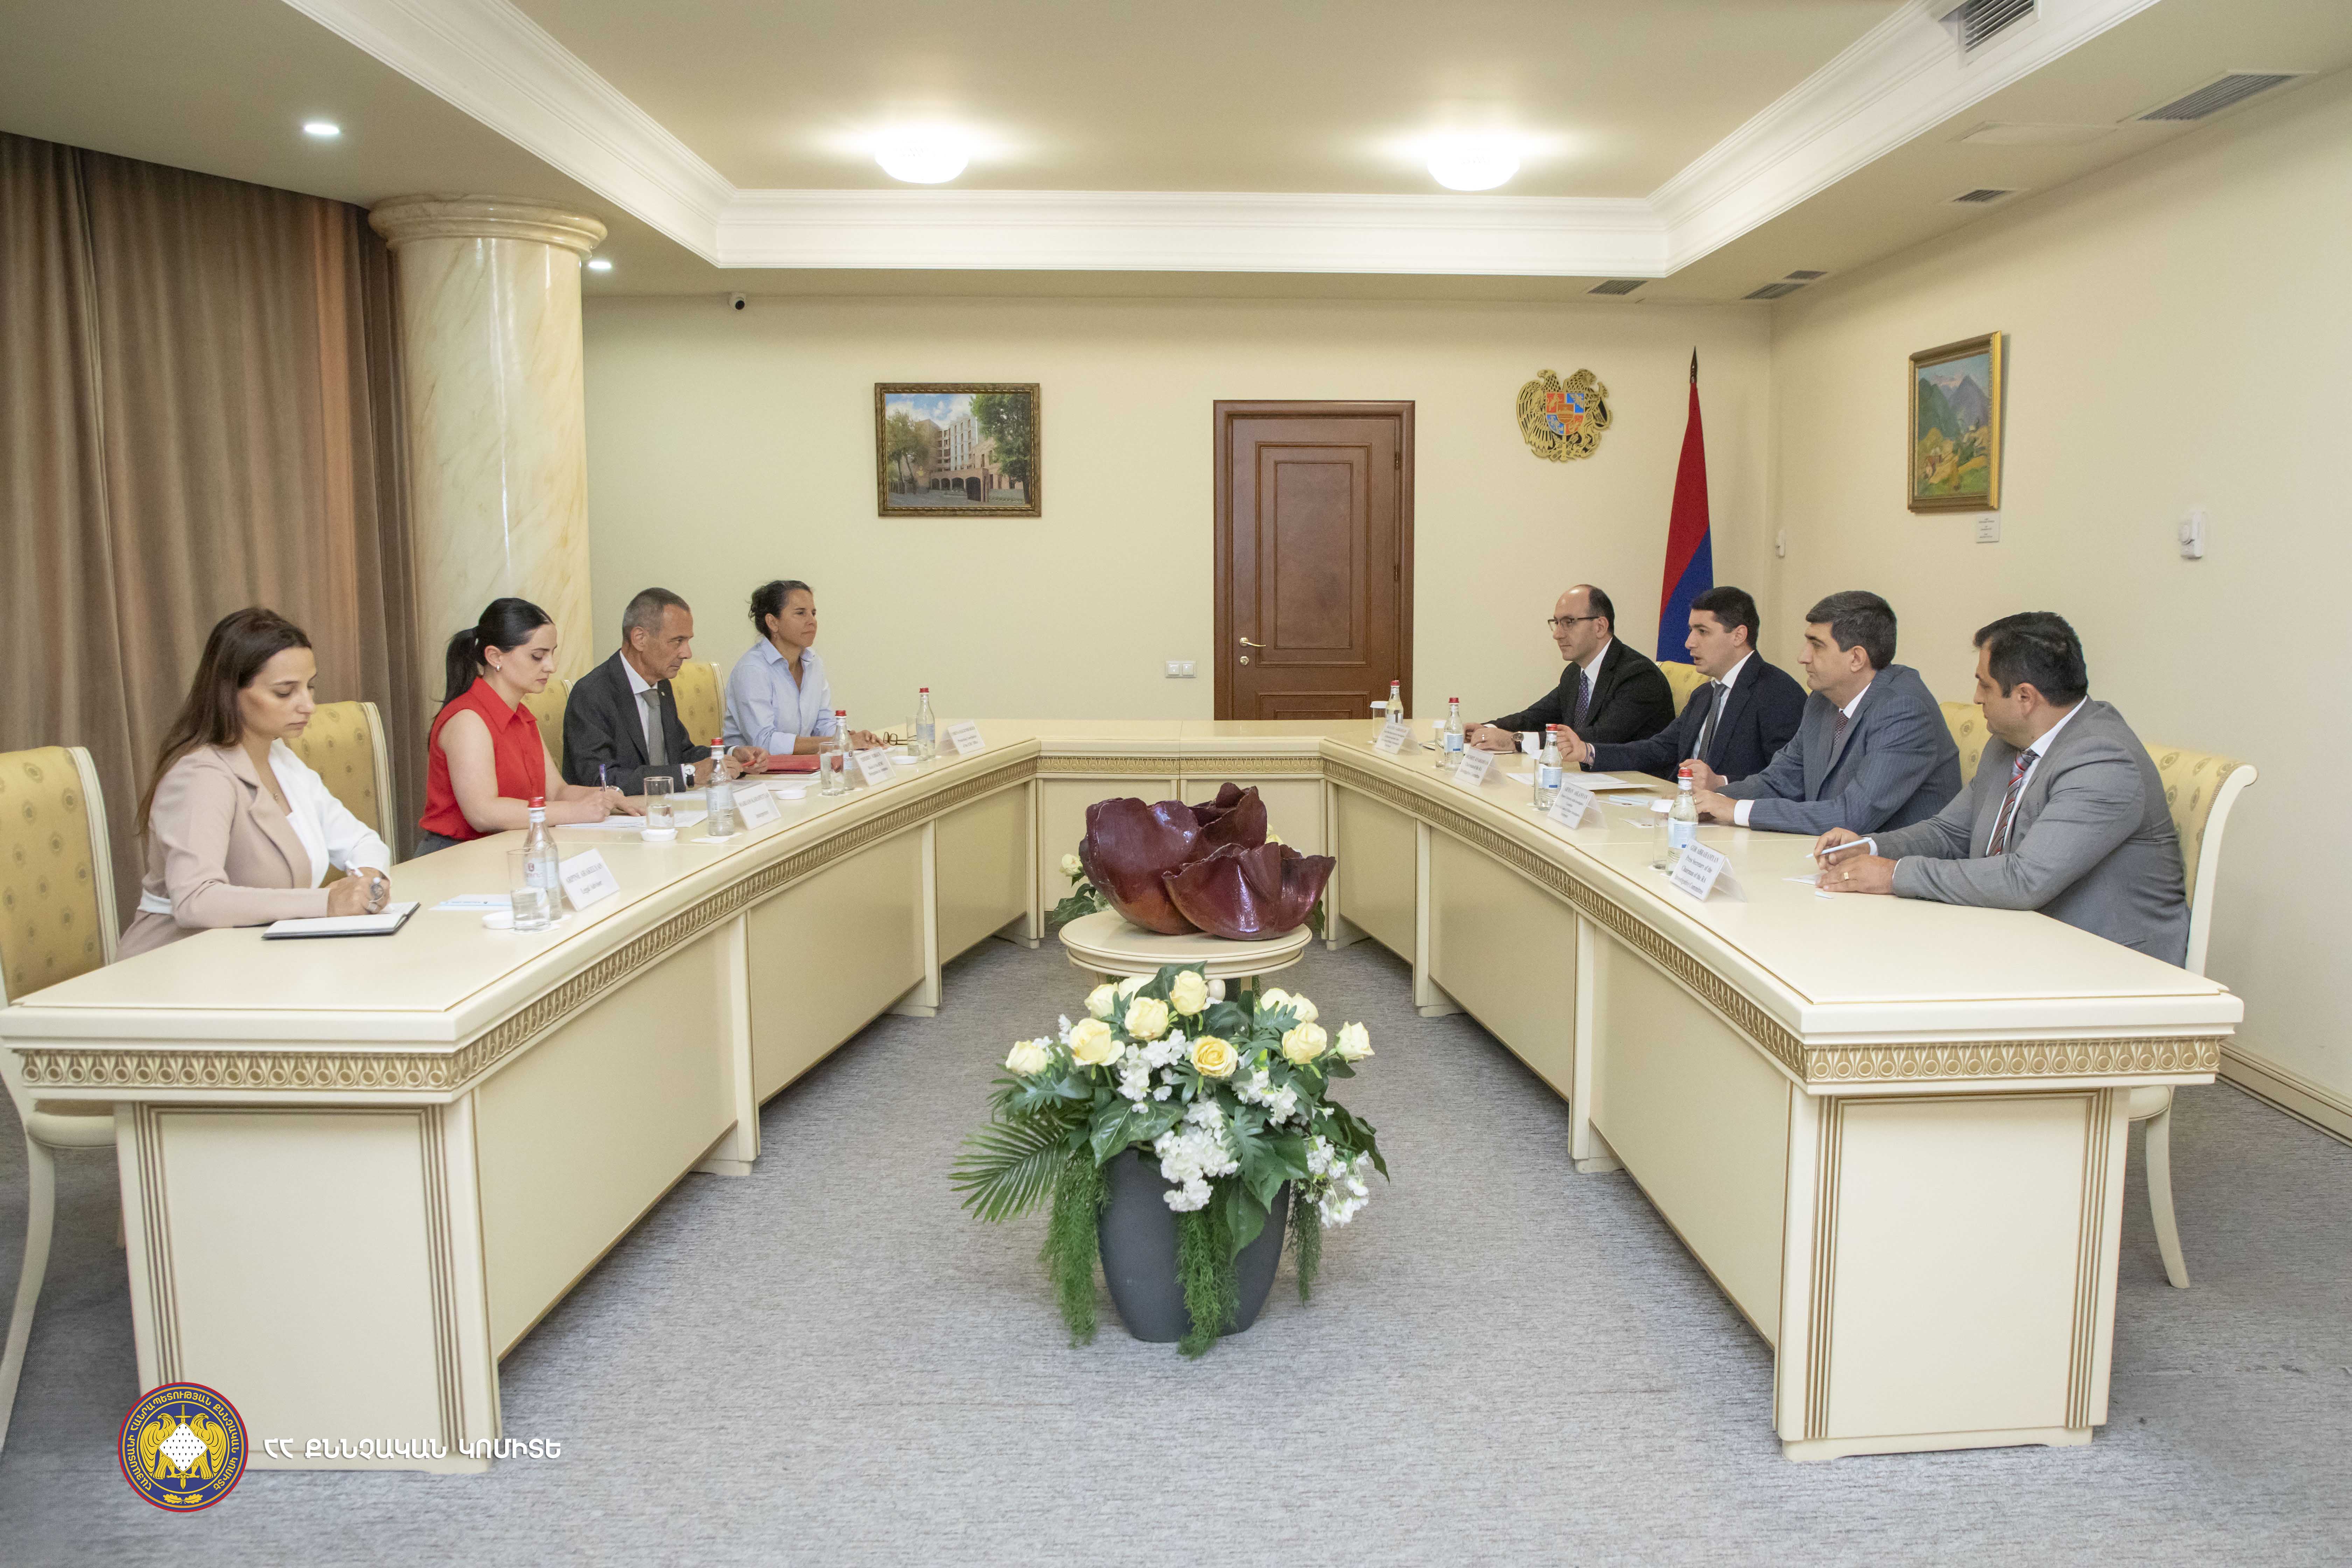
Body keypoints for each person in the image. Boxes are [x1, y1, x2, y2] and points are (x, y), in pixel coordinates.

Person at [1813, 613, 2189, 963]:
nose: (1977, 697)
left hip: (2108, 961)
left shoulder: (2102, 761)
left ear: (2025, 698)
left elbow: (2026, 880)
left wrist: (1894, 875)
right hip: (2019, 937)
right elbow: (1950, 832)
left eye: (1985, 685)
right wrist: (1871, 847)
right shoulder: (2009, 742)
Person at [121, 607, 395, 957]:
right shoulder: (200, 775)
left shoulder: (280, 757)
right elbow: (196, 900)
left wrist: (367, 883)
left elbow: (361, 840)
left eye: (310, 687)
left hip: (258, 956)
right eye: (285, 692)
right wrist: (326, 902)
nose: (309, 706)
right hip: (180, 960)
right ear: (229, 692)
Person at [1689, 589, 1960, 834]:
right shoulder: (1822, 699)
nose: (1803, 657)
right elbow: (1780, 780)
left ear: (1856, 658)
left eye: (1817, 646)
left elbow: (1853, 815)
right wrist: (1711, 801)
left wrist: (1736, 810)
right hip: (1832, 853)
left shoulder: (1904, 710)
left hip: (1896, 863)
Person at [417, 597, 631, 855]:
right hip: (456, 854)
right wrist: (575, 811)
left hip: (509, 848)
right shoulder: (468, 719)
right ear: (495, 657)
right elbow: (483, 813)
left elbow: (557, 792)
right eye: (537, 656)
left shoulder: (522, 715)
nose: (551, 667)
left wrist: (609, 797)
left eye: (552, 654)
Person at [1558, 585, 1805, 781]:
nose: (1689, 643)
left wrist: (1722, 783)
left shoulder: (1778, 693)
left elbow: (1786, 779)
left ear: (1739, 636)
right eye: (1691, 630)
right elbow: (1659, 749)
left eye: (1703, 632)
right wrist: (1587, 752)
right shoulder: (1705, 694)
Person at [564, 588, 768, 790]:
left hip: (663, 805)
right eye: (678, 641)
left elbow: (680, 754)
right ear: (640, 639)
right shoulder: (592, 693)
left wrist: (730, 755)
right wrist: (689, 774)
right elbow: (599, 779)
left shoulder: (661, 685)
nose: (687, 653)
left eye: (687, 641)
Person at [1468, 584, 1673, 751]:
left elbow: (1600, 738)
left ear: (1600, 627)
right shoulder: (1575, 672)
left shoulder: (1639, 676)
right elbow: (1536, 717)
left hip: (1637, 783)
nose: (1557, 634)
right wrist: (1487, 729)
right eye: (1556, 623)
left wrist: (1515, 740)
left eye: (1568, 622)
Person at [724, 579, 885, 755]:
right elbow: (764, 742)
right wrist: (840, 743)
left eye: (813, 613)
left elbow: (823, 722)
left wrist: (849, 737)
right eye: (801, 613)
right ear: (773, 623)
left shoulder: (813, 662)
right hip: (754, 769)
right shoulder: (752, 669)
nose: (812, 622)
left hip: (801, 766)